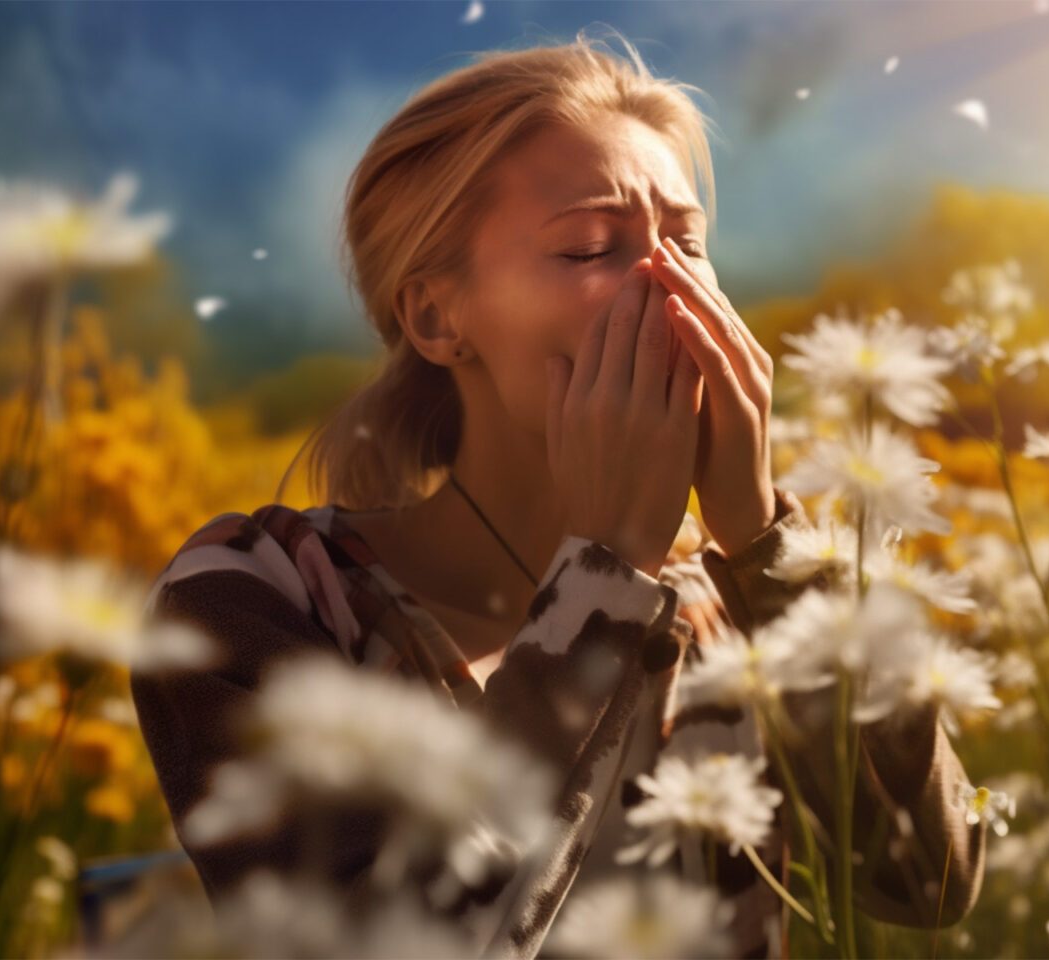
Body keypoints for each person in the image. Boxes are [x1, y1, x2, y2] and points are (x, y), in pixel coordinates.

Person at [129, 25, 984, 959]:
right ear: (436, 316)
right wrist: (603, 579)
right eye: (587, 249)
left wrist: (762, 539)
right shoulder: (260, 594)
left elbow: (928, 878)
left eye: (687, 243)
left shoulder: (727, 607)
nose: (668, 287)